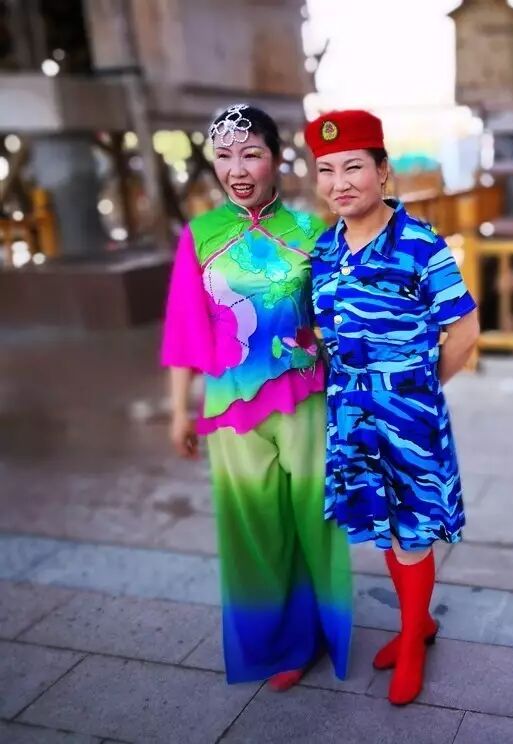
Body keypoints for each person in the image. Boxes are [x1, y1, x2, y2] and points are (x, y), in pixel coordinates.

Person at [162, 104, 352, 689]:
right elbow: (185, 329)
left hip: (307, 398)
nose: (237, 169)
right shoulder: (199, 236)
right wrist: (179, 410)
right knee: (257, 527)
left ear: (275, 158)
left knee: (315, 519)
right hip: (230, 406)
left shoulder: (312, 233)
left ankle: (325, 629)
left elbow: (337, 322)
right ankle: (284, 644)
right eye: (224, 156)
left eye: (251, 154)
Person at [304, 109, 480, 705]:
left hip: (407, 416)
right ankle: (417, 622)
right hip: (351, 414)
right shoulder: (324, 251)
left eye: (353, 167)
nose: (339, 182)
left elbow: (465, 330)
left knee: (414, 531)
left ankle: (411, 643)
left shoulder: (419, 245)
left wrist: (420, 389)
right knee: (385, 523)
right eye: (327, 170)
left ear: (382, 172)